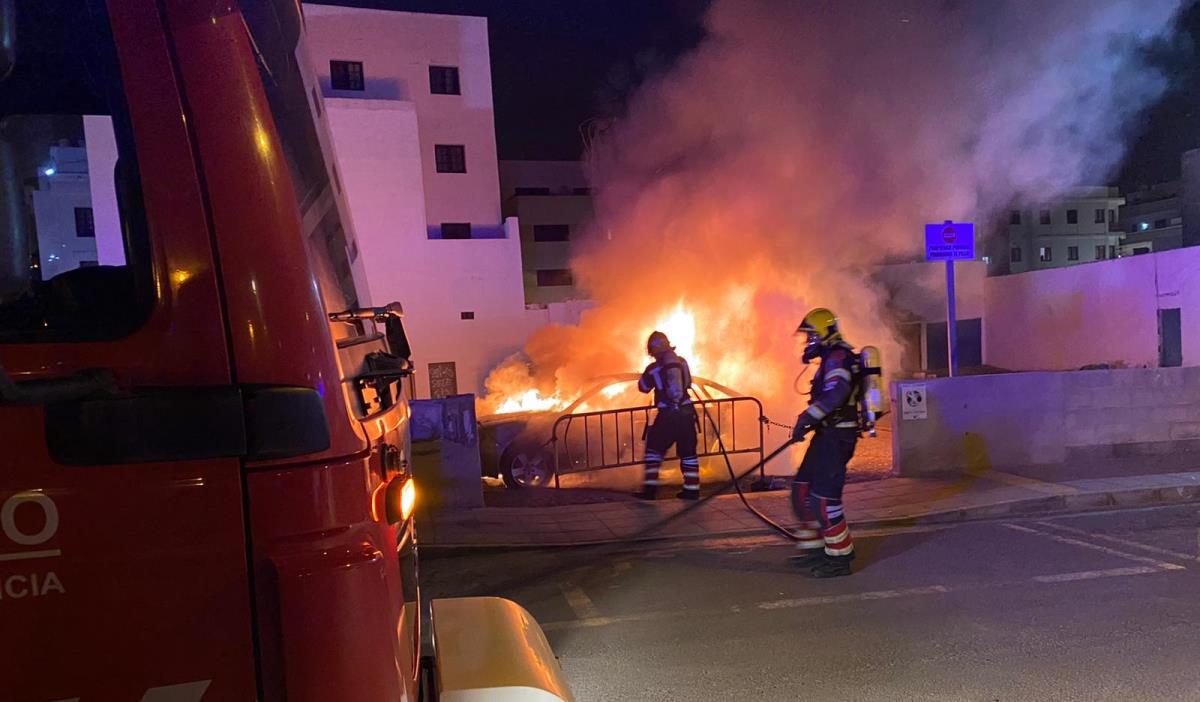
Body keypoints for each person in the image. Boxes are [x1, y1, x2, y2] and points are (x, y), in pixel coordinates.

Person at [790, 308, 860, 577]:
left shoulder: (838, 359)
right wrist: (809, 423)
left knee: (824, 501)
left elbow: (836, 395)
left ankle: (840, 559)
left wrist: (806, 417)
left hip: (838, 437)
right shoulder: (830, 358)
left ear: (823, 334)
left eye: (810, 337)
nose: (807, 343)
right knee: (802, 490)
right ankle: (815, 549)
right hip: (826, 434)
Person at [637, 331, 700, 501]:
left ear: (652, 350)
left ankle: (649, 491)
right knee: (688, 453)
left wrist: (646, 375)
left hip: (667, 416)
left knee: (653, 451)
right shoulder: (682, 362)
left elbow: (642, 387)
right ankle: (692, 489)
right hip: (687, 413)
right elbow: (688, 382)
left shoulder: (653, 369)